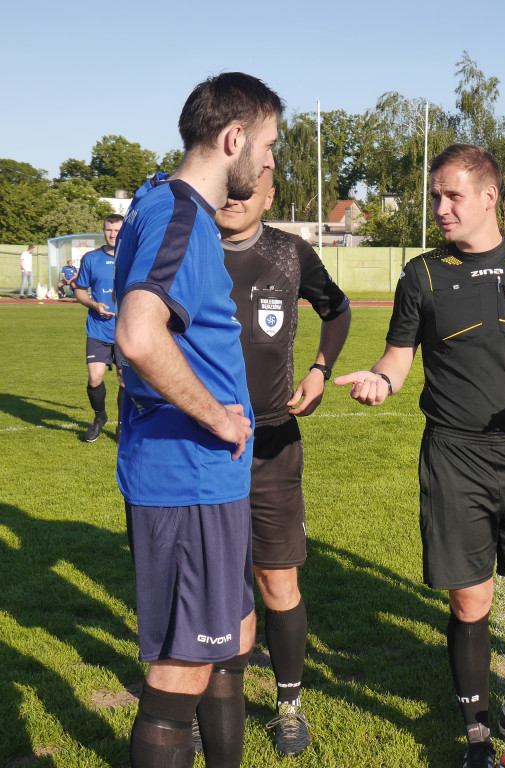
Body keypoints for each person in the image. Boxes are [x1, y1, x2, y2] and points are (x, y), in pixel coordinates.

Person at [337, 144, 505, 768]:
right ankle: (477, 732)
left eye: (452, 196)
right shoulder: (422, 275)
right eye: (436, 196)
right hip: (455, 457)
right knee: (471, 602)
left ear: (488, 196)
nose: (440, 208)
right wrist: (382, 381)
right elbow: (398, 356)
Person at [113, 72, 282, 768]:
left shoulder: (174, 207)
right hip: (185, 479)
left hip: (211, 481)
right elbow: (138, 335)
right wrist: (217, 418)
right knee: (182, 670)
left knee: (234, 638)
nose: (272, 160)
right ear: (233, 137)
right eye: (269, 144)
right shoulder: (177, 213)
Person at [216, 170, 351, 756]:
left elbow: (337, 310)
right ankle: (217, 701)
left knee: (277, 579)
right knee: (217, 586)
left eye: (248, 192)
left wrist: (320, 368)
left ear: (269, 198)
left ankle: (289, 703)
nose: (234, 198)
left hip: (271, 443)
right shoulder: (187, 246)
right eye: (228, 187)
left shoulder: (290, 253)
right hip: (200, 446)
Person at [74, 215, 124, 443]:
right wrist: (94, 305)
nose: (112, 234)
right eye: (108, 230)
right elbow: (80, 291)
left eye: (117, 230)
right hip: (98, 328)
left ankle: (122, 426)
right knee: (95, 378)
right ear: (103, 231)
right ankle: (99, 417)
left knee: (125, 380)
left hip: (126, 330)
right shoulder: (91, 258)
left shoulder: (133, 257)